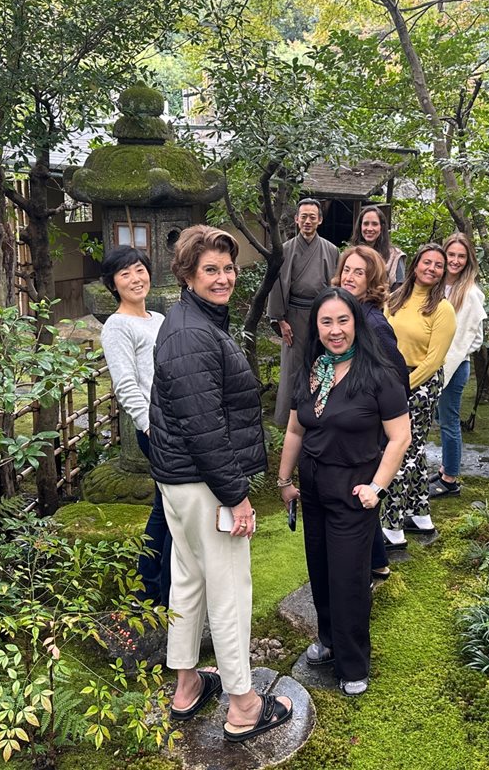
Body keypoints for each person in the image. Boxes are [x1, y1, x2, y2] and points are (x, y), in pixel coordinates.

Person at [149, 225, 293, 742]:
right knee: (229, 589)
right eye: (211, 269)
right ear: (187, 274)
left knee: (188, 580)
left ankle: (187, 685)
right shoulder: (191, 332)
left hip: (181, 482)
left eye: (229, 268)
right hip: (205, 483)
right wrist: (236, 496)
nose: (224, 277)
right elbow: (202, 424)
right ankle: (243, 703)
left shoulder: (193, 321)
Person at [277, 287, 411, 695]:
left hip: (355, 490)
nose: (335, 330)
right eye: (326, 322)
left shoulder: (378, 373)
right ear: (315, 328)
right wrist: (284, 481)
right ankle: (329, 639)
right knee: (319, 569)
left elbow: (400, 437)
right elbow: (296, 428)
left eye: (342, 321)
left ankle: (353, 664)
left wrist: (377, 487)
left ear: (356, 323)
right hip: (314, 487)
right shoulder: (314, 369)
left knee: (349, 578)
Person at [99, 246, 170, 606]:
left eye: (139, 269)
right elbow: (126, 384)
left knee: (166, 507)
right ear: (113, 283)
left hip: (175, 425)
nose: (135, 278)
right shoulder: (117, 326)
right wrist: (149, 427)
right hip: (155, 430)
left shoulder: (158, 319)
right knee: (171, 508)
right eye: (124, 274)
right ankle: (154, 589)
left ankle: (150, 587)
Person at [333, 245, 406, 580]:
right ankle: (378, 562)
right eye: (347, 269)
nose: (349, 276)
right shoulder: (347, 312)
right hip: (348, 422)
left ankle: (367, 566)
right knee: (359, 492)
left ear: (372, 279)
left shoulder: (373, 323)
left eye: (358, 272)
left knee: (361, 492)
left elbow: (396, 377)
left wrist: (379, 418)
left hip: (368, 426)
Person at [382, 243, 456, 548]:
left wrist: (403, 387)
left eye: (438, 265)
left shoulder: (443, 309)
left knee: (399, 452)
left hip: (419, 385)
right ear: (415, 265)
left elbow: (434, 360)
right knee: (412, 451)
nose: (432, 269)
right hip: (391, 378)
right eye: (427, 262)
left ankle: (392, 525)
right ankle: (420, 514)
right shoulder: (396, 298)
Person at [267, 198, 339, 425]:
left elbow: (335, 287)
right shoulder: (285, 250)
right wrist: (280, 320)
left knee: (323, 364)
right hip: (294, 317)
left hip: (322, 318)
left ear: (320, 220)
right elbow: (276, 285)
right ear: (297, 220)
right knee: (292, 368)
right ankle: (287, 419)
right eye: (304, 217)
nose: (308, 221)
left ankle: (320, 415)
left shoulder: (331, 250)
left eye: (312, 217)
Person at [430, 233, 487, 498]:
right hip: (433, 361)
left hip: (452, 366)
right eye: (450, 255)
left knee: (449, 422)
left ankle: (450, 480)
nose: (454, 261)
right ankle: (445, 469)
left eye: (460, 256)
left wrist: (444, 367)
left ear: (468, 260)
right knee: (441, 419)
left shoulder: (471, 294)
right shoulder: (437, 285)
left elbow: (472, 338)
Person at [349, 204, 405, 287]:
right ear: (360, 226)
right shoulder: (351, 254)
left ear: (381, 227)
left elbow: (398, 291)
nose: (369, 228)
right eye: (366, 224)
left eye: (374, 224)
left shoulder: (395, 256)